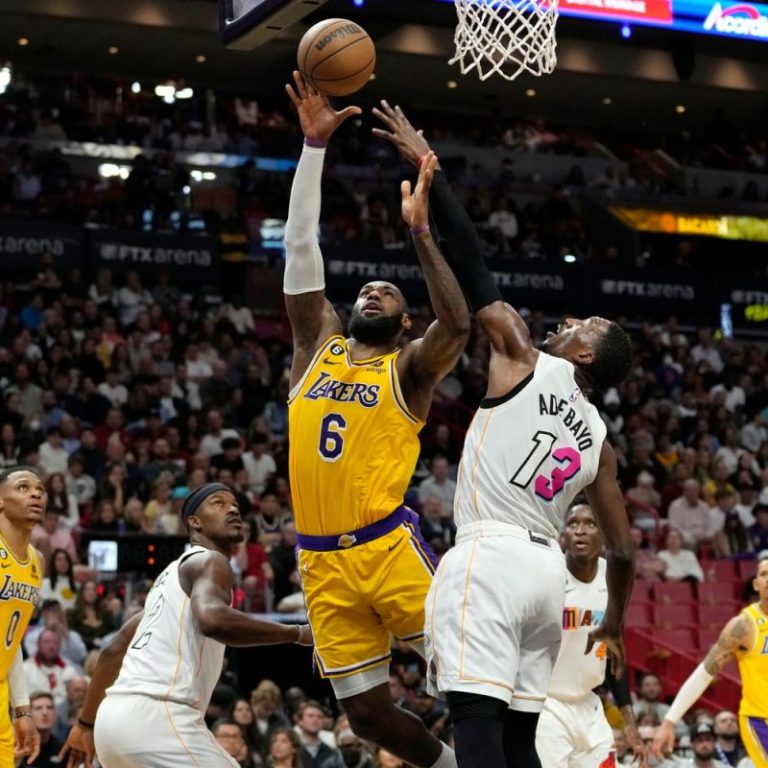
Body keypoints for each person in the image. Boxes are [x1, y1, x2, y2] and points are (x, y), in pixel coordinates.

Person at [372, 103, 635, 768]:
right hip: (547, 577)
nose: (568, 322)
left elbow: (473, 263)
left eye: (582, 326)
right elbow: (625, 550)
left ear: (584, 356)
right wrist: (613, 621)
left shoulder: (525, 355)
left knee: (477, 723)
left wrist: (428, 167)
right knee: (521, 738)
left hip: (489, 557)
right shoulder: (600, 440)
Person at [282, 73, 469, 768]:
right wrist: (312, 149)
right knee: (364, 714)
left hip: (387, 550)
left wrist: (420, 234)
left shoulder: (409, 370)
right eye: (365, 287)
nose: (372, 291)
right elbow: (301, 248)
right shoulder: (316, 348)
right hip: (319, 560)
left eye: (387, 292)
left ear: (404, 321)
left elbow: (458, 323)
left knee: (467, 674)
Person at [58, 483, 312, 768]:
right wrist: (297, 633)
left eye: (235, 505)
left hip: (111, 722)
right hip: (158, 715)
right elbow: (213, 620)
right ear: (194, 522)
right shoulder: (210, 560)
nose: (232, 509)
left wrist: (84, 724)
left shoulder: (165, 585)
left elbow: (112, 651)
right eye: (218, 503)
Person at [535, 504, 644, 767]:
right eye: (573, 524)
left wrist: (630, 723)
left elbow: (615, 653)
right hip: (545, 705)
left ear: (604, 534)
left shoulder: (614, 579)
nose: (580, 530)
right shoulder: (547, 576)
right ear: (562, 536)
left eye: (590, 524)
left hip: (589, 704)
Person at [652, 551, 768, 767]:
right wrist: (670, 721)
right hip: (760, 720)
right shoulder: (744, 626)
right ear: (756, 585)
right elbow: (705, 673)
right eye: (764, 574)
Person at [0, 466, 46, 767]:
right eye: (23, 487)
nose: (35, 494)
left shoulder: (37, 562)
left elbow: (12, 640)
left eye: (40, 489)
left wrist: (22, 708)